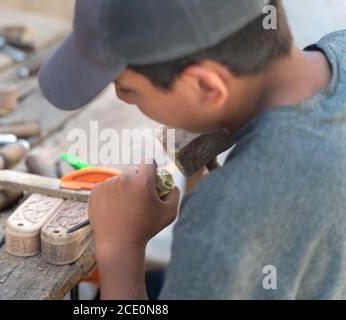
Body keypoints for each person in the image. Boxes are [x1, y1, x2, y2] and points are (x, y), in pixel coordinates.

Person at [39, 0, 346, 299]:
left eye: (127, 88)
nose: (121, 99)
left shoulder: (224, 218)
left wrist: (120, 248)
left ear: (207, 87)